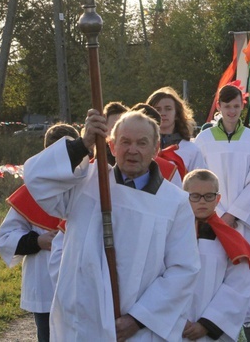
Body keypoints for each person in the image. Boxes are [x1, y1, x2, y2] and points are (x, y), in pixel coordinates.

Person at [24, 109, 200, 340]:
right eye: (125, 142)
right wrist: (83, 143)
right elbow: (37, 179)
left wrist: (137, 319)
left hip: (136, 331)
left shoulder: (174, 203)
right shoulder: (86, 182)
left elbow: (183, 270)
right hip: (81, 324)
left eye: (142, 143)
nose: (132, 150)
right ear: (112, 146)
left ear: (156, 149)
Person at [194, 84, 250, 322]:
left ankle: (242, 326)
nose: (231, 111)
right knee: (214, 271)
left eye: (236, 106)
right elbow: (199, 178)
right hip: (212, 218)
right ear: (219, 107)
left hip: (242, 219)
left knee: (242, 272)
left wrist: (232, 215)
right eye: (227, 106)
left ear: (242, 107)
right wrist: (216, 214)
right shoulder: (203, 139)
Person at [0, 123, 79, 342]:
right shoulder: (30, 192)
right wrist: (38, 241)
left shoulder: (87, 184)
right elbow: (5, 237)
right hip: (44, 283)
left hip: (80, 280)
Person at [182, 169, 250, 342]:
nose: (202, 201)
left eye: (208, 196)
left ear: (218, 199)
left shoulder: (229, 239)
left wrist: (207, 324)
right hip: (177, 325)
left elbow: (238, 286)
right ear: (183, 197)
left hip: (211, 332)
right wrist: (176, 317)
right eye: (194, 196)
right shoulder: (172, 234)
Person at [147, 87, 207, 186]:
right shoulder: (140, 148)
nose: (162, 113)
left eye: (168, 109)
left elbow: (202, 185)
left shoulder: (191, 150)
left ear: (177, 114)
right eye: (157, 109)